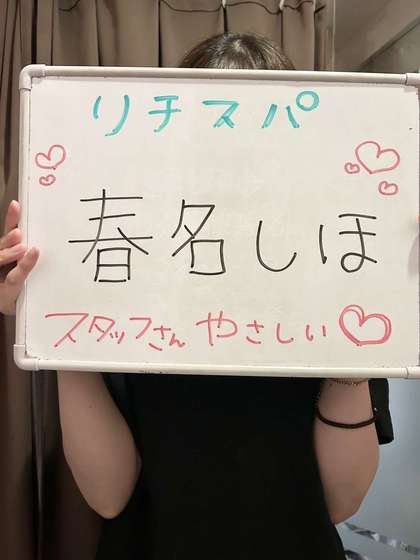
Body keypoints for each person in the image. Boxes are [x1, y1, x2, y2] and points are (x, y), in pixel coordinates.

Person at [1, 33, 393, 560]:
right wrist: (54, 311)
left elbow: (340, 501)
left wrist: (363, 330)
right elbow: (109, 496)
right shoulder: (124, 277)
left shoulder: (332, 282)